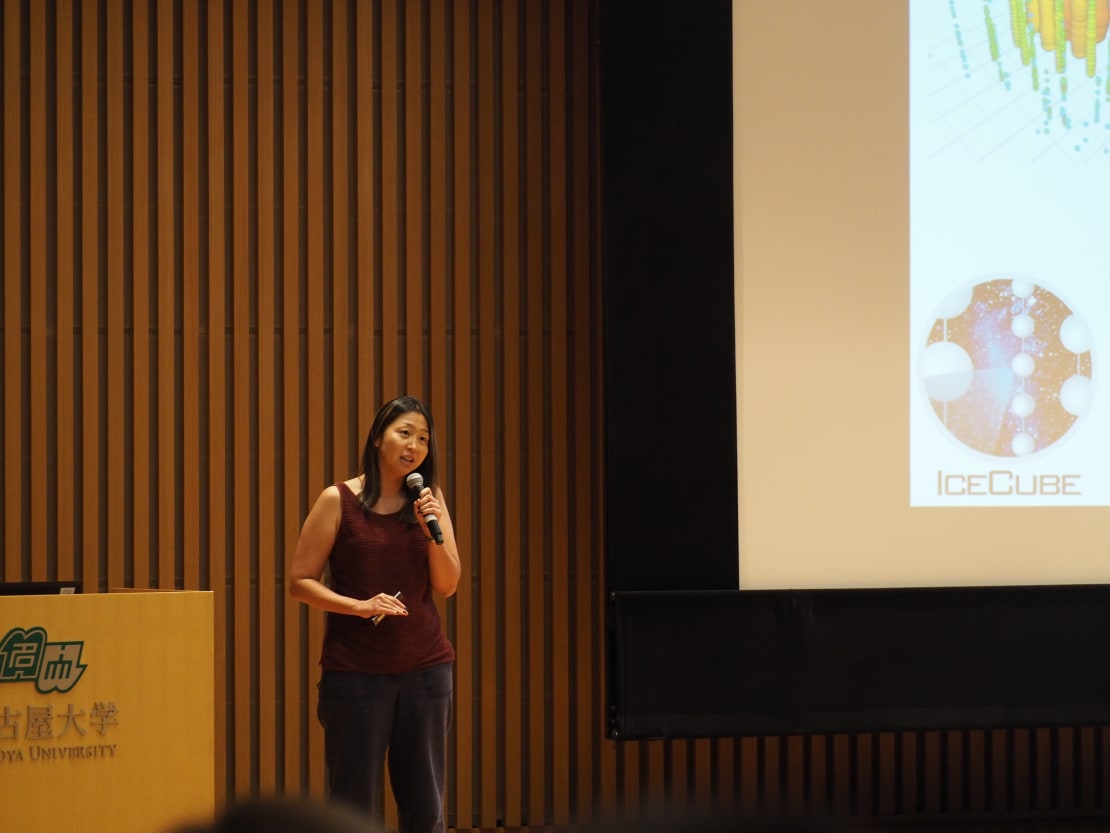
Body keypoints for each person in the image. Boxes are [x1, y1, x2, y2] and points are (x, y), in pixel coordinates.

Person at [289, 395, 461, 833]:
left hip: (426, 671)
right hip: (357, 674)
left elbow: (448, 584)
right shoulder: (338, 499)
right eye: (404, 433)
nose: (415, 445)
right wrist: (358, 606)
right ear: (377, 437)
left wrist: (431, 534)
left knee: (426, 808)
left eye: (423, 438)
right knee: (352, 807)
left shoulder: (429, 499)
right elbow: (300, 580)